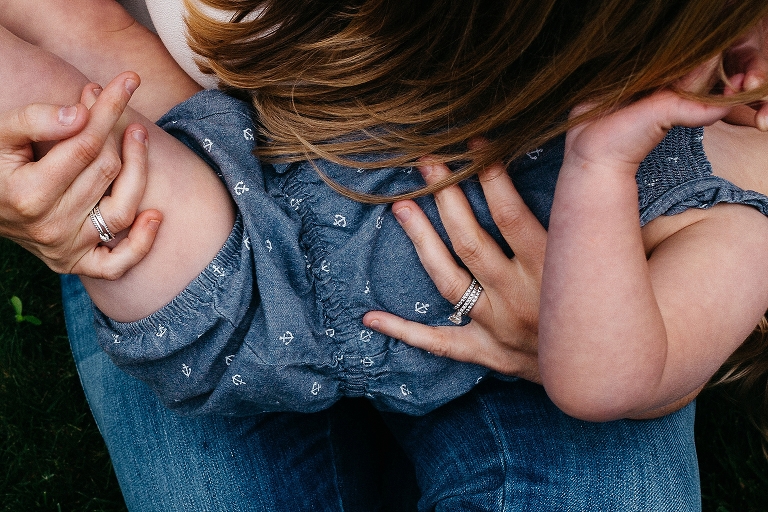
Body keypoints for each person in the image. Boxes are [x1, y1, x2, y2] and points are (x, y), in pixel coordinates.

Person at [2, 0, 768, 510]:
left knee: (90, 146)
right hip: (237, 169)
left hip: (254, 316)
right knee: (84, 116)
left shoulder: (745, 203)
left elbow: (608, 382)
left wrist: (601, 172)